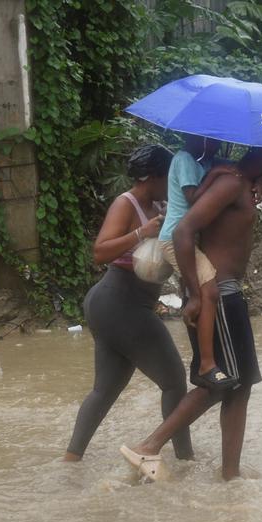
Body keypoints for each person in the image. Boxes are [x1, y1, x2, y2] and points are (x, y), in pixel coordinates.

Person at [120, 147, 262, 481]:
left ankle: (230, 475)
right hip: (220, 296)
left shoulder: (236, 180)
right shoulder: (230, 183)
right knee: (218, 384)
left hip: (228, 296)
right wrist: (196, 293)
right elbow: (183, 231)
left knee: (238, 387)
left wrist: (257, 182)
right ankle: (149, 446)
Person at [64, 145, 194, 462]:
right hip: (120, 301)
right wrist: (141, 232)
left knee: (106, 389)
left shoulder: (164, 203)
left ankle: (70, 460)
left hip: (115, 305)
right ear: (152, 177)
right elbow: (100, 252)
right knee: (174, 382)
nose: (172, 183)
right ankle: (184, 460)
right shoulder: (127, 204)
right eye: (168, 176)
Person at [157, 134, 236, 390]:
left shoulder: (205, 162)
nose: (216, 144)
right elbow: (193, 198)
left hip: (187, 239)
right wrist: (215, 175)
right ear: (199, 139)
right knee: (208, 292)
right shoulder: (184, 159)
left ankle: (201, 362)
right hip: (175, 239)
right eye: (212, 140)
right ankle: (207, 365)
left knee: (204, 294)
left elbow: (237, 171)